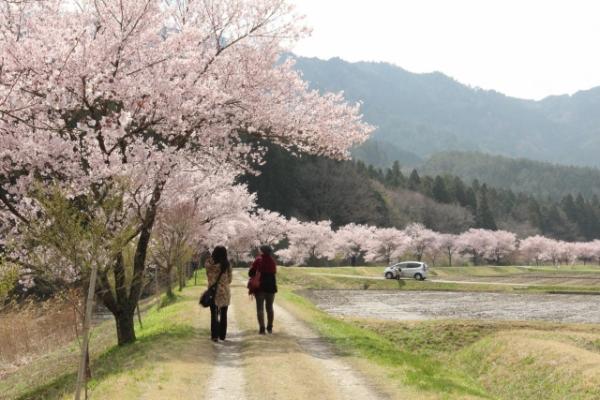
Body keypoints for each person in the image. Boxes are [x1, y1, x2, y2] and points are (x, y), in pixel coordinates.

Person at [205, 246, 233, 342]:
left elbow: (208, 276)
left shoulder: (208, 264)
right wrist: (224, 283)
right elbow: (230, 279)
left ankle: (214, 336)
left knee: (214, 314)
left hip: (213, 292)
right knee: (224, 314)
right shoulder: (227, 264)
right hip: (224, 292)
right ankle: (222, 335)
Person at [249, 245, 277, 334]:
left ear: (262, 251)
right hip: (271, 287)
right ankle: (270, 327)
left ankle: (262, 328)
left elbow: (251, 273)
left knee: (260, 308)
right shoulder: (272, 261)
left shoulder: (258, 260)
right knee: (270, 308)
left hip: (260, 287)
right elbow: (274, 272)